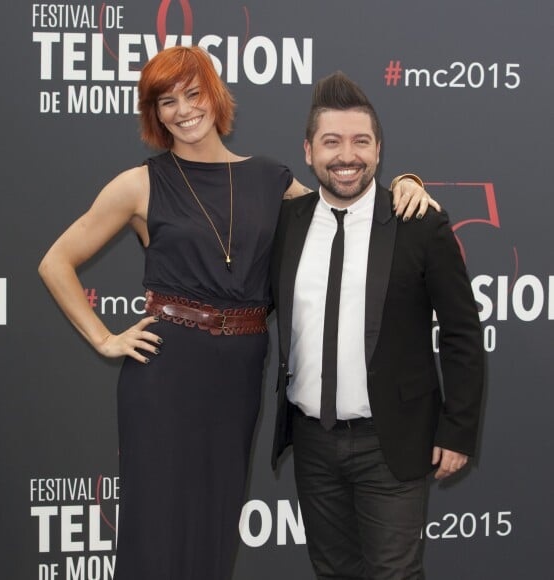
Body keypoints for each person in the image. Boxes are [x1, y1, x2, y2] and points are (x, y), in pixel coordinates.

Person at [38, 47, 435, 580]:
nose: (183, 110)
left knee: (215, 520)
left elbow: (347, 198)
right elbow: (56, 261)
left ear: (215, 94)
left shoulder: (271, 179)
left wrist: (405, 182)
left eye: (193, 93)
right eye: (166, 101)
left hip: (239, 373)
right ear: (155, 114)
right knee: (155, 520)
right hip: (165, 371)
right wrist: (105, 339)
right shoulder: (140, 183)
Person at [270, 71, 484, 580]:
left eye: (360, 141)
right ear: (308, 150)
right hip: (313, 443)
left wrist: (458, 430)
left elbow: (462, 333)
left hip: (392, 441)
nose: (347, 155)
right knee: (332, 572)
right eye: (332, 142)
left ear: (379, 149)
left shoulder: (420, 222)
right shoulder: (287, 221)